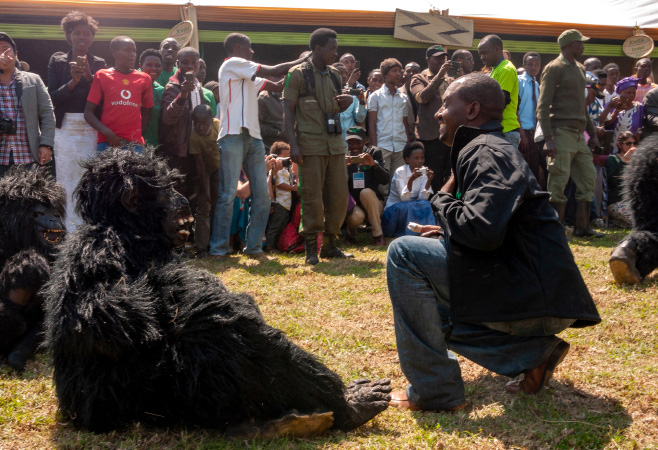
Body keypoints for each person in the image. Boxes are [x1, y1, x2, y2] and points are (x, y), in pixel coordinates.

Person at [387, 73, 601, 413]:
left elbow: (482, 232)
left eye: (445, 104)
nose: (438, 114)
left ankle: (436, 391)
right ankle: (534, 356)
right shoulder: (484, 150)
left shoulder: (486, 152)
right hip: (530, 293)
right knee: (427, 310)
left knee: (403, 253)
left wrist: (441, 198)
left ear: (472, 110)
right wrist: (446, 232)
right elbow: (495, 227)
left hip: (533, 299)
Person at [210, 33, 304, 260]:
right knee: (227, 195)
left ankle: (253, 248)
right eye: (250, 48)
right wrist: (301, 61)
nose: (253, 52)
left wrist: (298, 70)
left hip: (253, 137)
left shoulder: (248, 73)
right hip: (231, 135)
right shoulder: (232, 64)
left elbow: (279, 85)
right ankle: (218, 250)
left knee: (262, 196)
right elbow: (272, 71)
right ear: (238, 47)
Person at [283, 28, 355, 265]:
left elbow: (335, 105)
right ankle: (311, 249)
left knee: (338, 195)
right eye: (332, 48)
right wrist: (293, 144)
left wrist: (346, 103)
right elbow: (288, 111)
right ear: (317, 49)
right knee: (312, 196)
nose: (336, 53)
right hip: (310, 145)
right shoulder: (297, 74)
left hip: (335, 145)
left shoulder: (335, 74)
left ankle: (330, 246)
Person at [537, 29, 602, 237]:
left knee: (588, 177)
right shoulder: (554, 68)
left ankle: (582, 227)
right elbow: (543, 105)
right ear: (567, 45)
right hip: (560, 132)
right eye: (579, 43)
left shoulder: (580, 69)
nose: (582, 46)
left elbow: (582, 107)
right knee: (558, 180)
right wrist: (548, 138)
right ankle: (555, 230)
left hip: (578, 133)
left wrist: (593, 134)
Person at [47, 11, 105, 230]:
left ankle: (87, 230)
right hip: (65, 129)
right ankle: (68, 231)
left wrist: (90, 78)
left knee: (88, 179)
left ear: (92, 37)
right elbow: (53, 98)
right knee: (66, 179)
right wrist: (74, 81)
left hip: (91, 128)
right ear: (69, 35)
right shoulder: (57, 60)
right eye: (77, 33)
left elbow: (101, 100)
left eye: (87, 34)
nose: (82, 38)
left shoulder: (99, 63)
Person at [0, 32, 55, 177]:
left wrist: (46, 144)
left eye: (5, 49)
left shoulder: (33, 80)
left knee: (28, 199)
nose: (2, 54)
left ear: (16, 54)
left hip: (27, 156)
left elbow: (47, 113)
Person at [84, 36, 153, 152]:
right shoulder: (102, 75)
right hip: (107, 143)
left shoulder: (145, 78)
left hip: (134, 146)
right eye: (127, 50)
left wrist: (136, 135)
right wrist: (107, 133)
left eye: (134, 51)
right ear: (114, 52)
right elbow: (88, 113)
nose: (132, 54)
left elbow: (147, 112)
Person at [159, 46, 208, 198]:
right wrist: (182, 95)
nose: (190, 66)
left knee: (194, 192)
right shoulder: (172, 86)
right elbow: (168, 118)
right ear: (178, 63)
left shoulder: (198, 85)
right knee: (177, 193)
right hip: (177, 150)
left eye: (194, 62)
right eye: (185, 62)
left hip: (194, 147)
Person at [410, 45, 452, 192]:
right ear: (427, 59)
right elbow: (422, 98)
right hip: (430, 137)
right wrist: (439, 76)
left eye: (443, 57)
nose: (441, 60)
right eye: (437, 58)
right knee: (432, 175)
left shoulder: (450, 80)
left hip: (449, 135)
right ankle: (432, 208)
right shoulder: (418, 78)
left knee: (449, 175)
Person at [367, 58, 409, 195]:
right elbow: (372, 124)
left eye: (400, 71)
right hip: (382, 146)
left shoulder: (403, 97)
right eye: (394, 71)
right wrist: (374, 149)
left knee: (399, 184)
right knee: (383, 186)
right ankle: (382, 214)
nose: (398, 74)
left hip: (400, 146)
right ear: (385, 75)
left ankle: (395, 214)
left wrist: (407, 143)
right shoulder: (375, 97)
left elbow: (405, 122)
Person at [344, 127, 389, 246]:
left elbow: (385, 180)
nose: (354, 146)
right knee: (355, 217)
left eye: (358, 142)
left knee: (366, 192)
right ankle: (350, 234)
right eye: (350, 142)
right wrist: (343, 169)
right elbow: (336, 184)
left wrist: (374, 165)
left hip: (373, 203)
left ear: (365, 141)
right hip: (354, 206)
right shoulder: (343, 156)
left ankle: (378, 235)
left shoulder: (373, 152)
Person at [381, 141, 435, 237]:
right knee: (409, 206)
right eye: (416, 158)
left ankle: (428, 232)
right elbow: (404, 199)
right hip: (395, 210)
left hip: (413, 207)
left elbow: (423, 198)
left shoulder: (424, 172)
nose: (420, 161)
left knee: (427, 205)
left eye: (422, 158)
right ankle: (410, 234)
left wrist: (429, 181)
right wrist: (411, 180)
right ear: (407, 159)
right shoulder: (400, 172)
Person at [188, 104, 220, 257]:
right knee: (204, 207)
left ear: (211, 120)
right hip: (204, 172)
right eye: (196, 123)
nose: (200, 127)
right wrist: (204, 190)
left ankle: (217, 244)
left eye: (203, 123)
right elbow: (200, 166)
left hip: (219, 168)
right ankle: (201, 248)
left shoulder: (218, 126)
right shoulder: (194, 138)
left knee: (218, 204)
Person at [478, 34, 521, 148]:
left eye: (485, 53)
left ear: (497, 49)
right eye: (480, 54)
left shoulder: (505, 69)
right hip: (499, 130)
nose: (482, 57)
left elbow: (502, 100)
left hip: (506, 131)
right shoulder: (495, 70)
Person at [517, 51, 544, 186]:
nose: (534, 67)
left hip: (534, 135)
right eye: (530, 64)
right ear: (524, 65)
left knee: (533, 172)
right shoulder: (519, 82)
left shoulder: (537, 85)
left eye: (536, 65)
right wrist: (522, 134)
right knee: (522, 173)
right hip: (522, 134)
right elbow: (514, 110)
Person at [264, 141, 296, 252]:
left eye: (289, 157)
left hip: (286, 203)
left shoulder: (286, 169)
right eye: (285, 157)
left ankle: (276, 245)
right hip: (279, 203)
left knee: (281, 226)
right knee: (275, 226)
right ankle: (269, 246)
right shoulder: (276, 170)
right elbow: (279, 184)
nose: (287, 160)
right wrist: (294, 188)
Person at [600, 77, 643, 151]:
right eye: (628, 93)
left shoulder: (639, 108)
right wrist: (616, 111)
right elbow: (605, 124)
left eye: (634, 93)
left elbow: (638, 132)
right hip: (610, 149)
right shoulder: (611, 105)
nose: (631, 95)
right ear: (620, 92)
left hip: (630, 151)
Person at [605, 131, 637, 228]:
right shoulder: (613, 159)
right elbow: (612, 180)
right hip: (617, 201)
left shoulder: (637, 162)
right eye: (628, 143)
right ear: (619, 144)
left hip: (635, 202)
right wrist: (625, 159)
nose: (632, 146)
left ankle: (619, 223)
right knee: (640, 221)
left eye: (634, 143)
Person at [138, 49, 164, 148]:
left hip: (153, 146)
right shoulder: (131, 86)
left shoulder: (162, 91)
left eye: (158, 65)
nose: (154, 68)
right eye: (149, 65)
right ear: (140, 66)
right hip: (130, 144)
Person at [334, 63, 366, 138]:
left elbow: (360, 119)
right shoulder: (327, 95)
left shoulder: (353, 96)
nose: (344, 76)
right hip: (334, 141)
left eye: (346, 73)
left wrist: (361, 103)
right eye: (340, 73)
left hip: (351, 142)